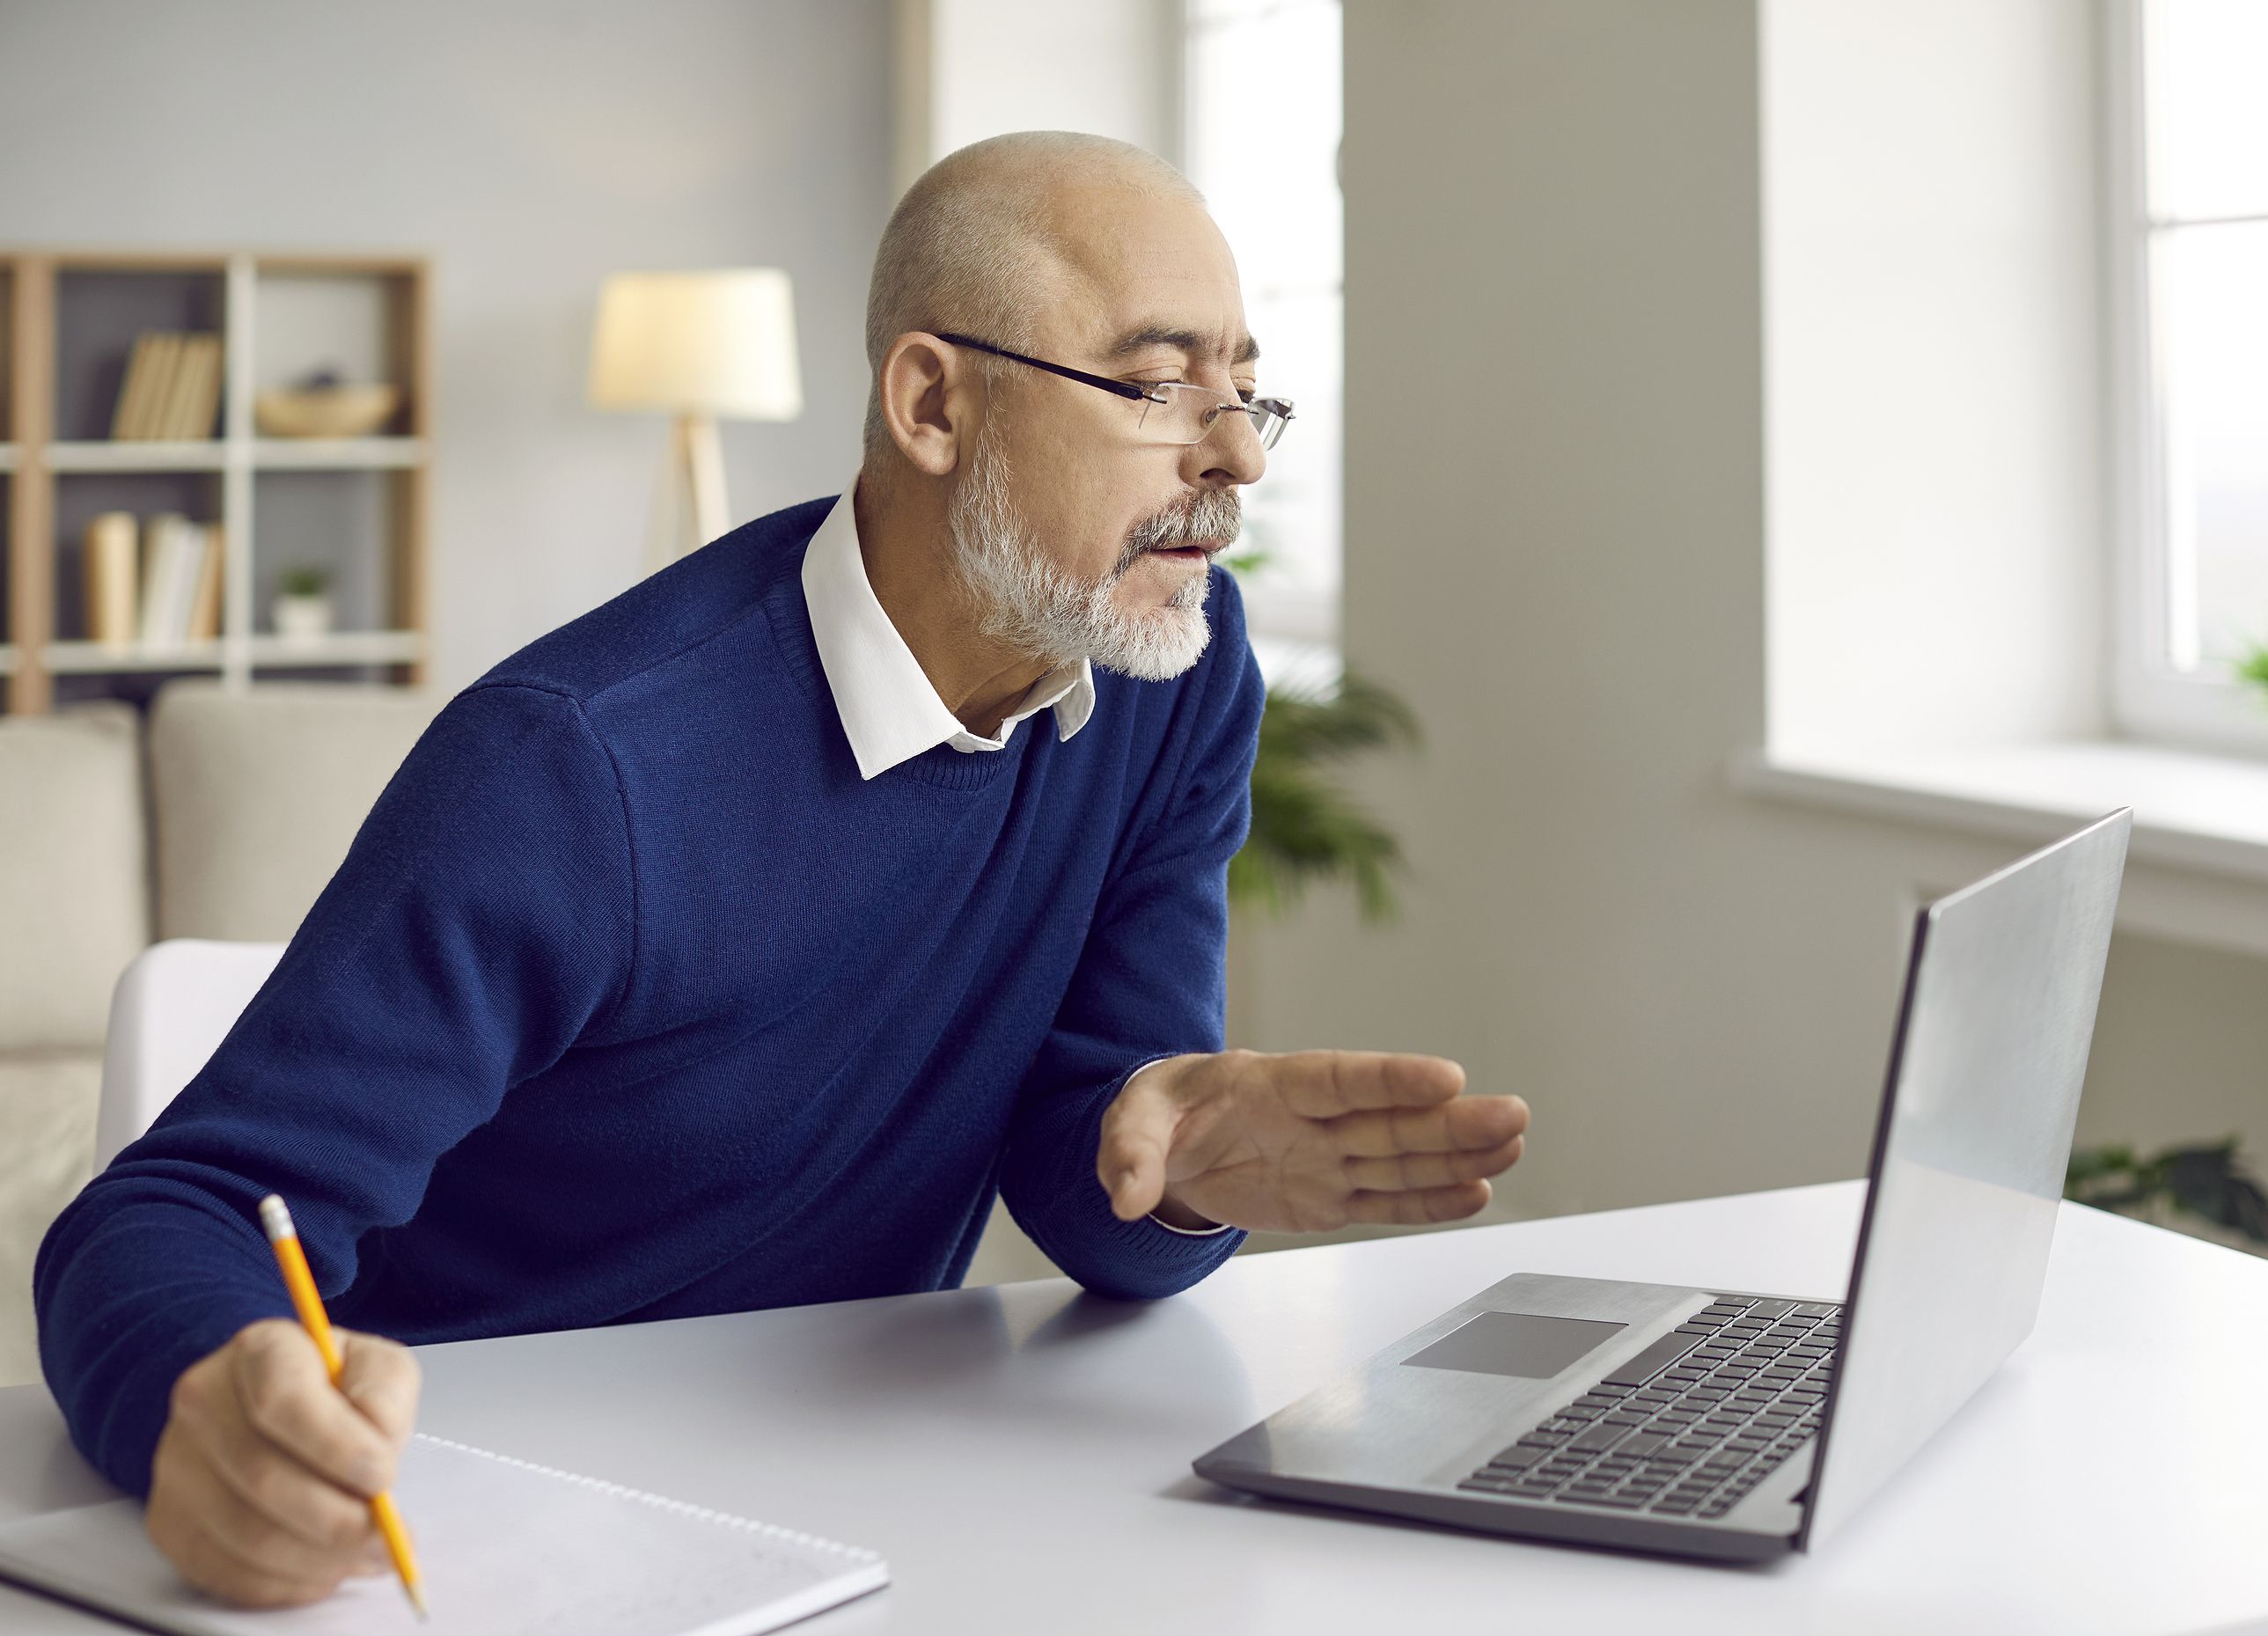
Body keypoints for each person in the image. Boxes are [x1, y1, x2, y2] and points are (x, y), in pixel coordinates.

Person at [33, 131, 1531, 1608]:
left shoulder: (1171, 677)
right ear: (934, 403)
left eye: (1241, 385)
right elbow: (172, 1215)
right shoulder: (580, 766)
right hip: (464, 1524)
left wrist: (1177, 1166)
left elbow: (1093, 1169)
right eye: (1154, 387)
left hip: (854, 1506)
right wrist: (212, 1408)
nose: (1238, 455)